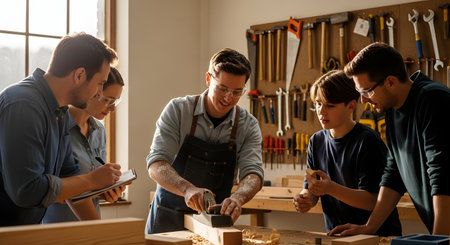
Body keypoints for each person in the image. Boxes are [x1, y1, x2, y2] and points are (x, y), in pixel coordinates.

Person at [0, 33, 122, 226]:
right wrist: (91, 180)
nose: (99, 92)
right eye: (100, 83)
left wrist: (98, 186)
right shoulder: (23, 104)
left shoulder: (59, 112)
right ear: (79, 75)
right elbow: (27, 191)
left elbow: (68, 173)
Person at [329, 42, 450, 236]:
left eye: (366, 91)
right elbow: (394, 173)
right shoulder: (393, 110)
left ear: (391, 82)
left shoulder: (433, 100)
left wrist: (439, 240)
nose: (363, 100)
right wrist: (369, 227)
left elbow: (443, 175)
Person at [145, 48, 264, 234]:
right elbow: (156, 164)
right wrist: (187, 189)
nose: (228, 98)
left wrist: (238, 199)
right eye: (222, 88)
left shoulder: (248, 125)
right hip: (167, 216)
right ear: (208, 79)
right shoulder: (178, 110)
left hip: (215, 223)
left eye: (236, 92)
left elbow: (253, 174)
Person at [292, 70, 401, 236]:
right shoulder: (316, 142)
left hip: (377, 237)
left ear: (351, 105)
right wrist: (305, 199)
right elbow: (311, 187)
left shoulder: (368, 141)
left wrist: (331, 189)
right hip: (337, 235)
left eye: (329, 105)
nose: (321, 112)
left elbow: (374, 201)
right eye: (318, 104)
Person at [42, 67, 127, 223]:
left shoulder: (99, 131)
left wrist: (107, 191)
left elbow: (90, 184)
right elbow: (49, 190)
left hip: (89, 228)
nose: (113, 108)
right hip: (57, 229)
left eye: (116, 101)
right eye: (107, 100)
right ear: (92, 91)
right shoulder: (57, 127)